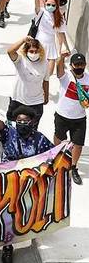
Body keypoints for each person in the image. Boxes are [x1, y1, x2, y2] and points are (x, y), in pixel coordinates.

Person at [0, 99, 52, 263]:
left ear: (32, 122)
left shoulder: (40, 139)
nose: (21, 124)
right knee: (8, 216)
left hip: (29, 186)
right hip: (8, 184)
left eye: (25, 121)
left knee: (24, 214)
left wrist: (65, 147)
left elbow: (53, 155)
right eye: (18, 121)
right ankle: (7, 247)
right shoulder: (9, 133)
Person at [54, 52, 89, 185]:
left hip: (79, 118)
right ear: (72, 65)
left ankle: (73, 167)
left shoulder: (88, 79)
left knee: (78, 144)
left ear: (85, 65)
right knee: (58, 137)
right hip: (62, 115)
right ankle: (56, 160)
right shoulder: (66, 77)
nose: (79, 67)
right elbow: (59, 70)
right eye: (76, 64)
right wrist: (61, 58)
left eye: (81, 64)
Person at [6, 37, 49, 124]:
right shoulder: (20, 60)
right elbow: (10, 51)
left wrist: (46, 96)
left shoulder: (45, 63)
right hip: (18, 99)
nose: (33, 54)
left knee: (33, 127)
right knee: (13, 125)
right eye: (31, 51)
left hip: (36, 101)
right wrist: (22, 40)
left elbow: (46, 80)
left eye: (36, 51)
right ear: (26, 51)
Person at [33, 0, 69, 76]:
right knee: (36, 71)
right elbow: (37, 7)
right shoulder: (41, 12)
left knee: (49, 73)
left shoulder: (59, 17)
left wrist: (67, 47)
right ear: (45, 3)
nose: (50, 6)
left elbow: (61, 33)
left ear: (57, 5)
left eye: (53, 5)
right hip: (39, 43)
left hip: (51, 45)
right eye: (48, 4)